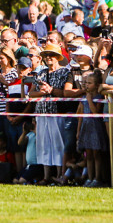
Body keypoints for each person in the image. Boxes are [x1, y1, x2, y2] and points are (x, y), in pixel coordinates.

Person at [27, 43, 72, 185]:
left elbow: (64, 92)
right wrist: (42, 92)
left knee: (58, 144)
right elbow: (31, 93)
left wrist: (51, 90)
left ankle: (59, 174)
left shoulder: (65, 72)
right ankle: (46, 176)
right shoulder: (40, 73)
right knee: (44, 145)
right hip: (41, 112)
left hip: (57, 112)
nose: (48, 58)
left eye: (51, 55)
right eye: (46, 55)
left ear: (58, 57)